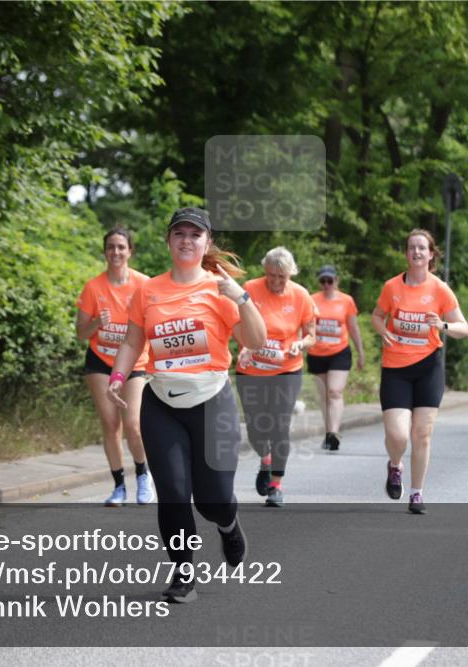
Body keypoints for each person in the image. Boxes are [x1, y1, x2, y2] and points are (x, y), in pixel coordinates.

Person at [106, 207, 265, 604]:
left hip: (212, 402)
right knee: (174, 493)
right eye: (180, 233)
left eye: (196, 234)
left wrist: (242, 298)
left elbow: (256, 342)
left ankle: (228, 526)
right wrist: (118, 376)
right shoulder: (149, 290)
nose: (187, 240)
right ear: (169, 241)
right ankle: (183, 573)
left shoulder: (220, 288)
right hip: (162, 403)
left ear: (206, 243)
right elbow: (132, 341)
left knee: (213, 497)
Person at [371, 229, 468, 514]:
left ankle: (417, 493)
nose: (416, 252)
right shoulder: (392, 287)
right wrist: (382, 332)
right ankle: (394, 465)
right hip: (395, 368)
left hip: (428, 367)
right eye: (412, 248)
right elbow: (378, 315)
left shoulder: (440, 289)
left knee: (422, 434)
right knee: (399, 436)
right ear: (406, 253)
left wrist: (443, 326)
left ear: (431, 254)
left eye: (422, 248)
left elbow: (464, 327)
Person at [76, 228, 154, 507]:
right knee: (111, 425)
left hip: (135, 363)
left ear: (130, 251)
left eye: (121, 247)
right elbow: (81, 333)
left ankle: (143, 476)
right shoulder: (93, 288)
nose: (116, 252)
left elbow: (155, 324)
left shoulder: (144, 285)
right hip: (100, 361)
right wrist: (97, 323)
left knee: (133, 424)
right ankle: (119, 486)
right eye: (111, 247)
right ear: (105, 251)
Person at [235, 247, 316, 507]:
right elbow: (236, 323)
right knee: (257, 429)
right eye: (271, 275)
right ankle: (265, 459)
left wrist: (300, 345)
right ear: (264, 271)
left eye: (282, 277)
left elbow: (311, 335)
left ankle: (276, 485)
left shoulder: (302, 295)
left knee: (279, 426)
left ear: (291, 274)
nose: (276, 282)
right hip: (252, 370)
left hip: (286, 371)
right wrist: (245, 345)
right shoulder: (250, 288)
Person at [307, 264, 365, 452]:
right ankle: (328, 432)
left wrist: (360, 352)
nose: (326, 285)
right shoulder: (311, 300)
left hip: (339, 352)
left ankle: (334, 432)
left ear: (336, 281)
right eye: (322, 281)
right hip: (316, 354)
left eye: (329, 281)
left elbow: (354, 328)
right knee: (324, 396)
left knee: (335, 391)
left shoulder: (346, 301)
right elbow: (305, 326)